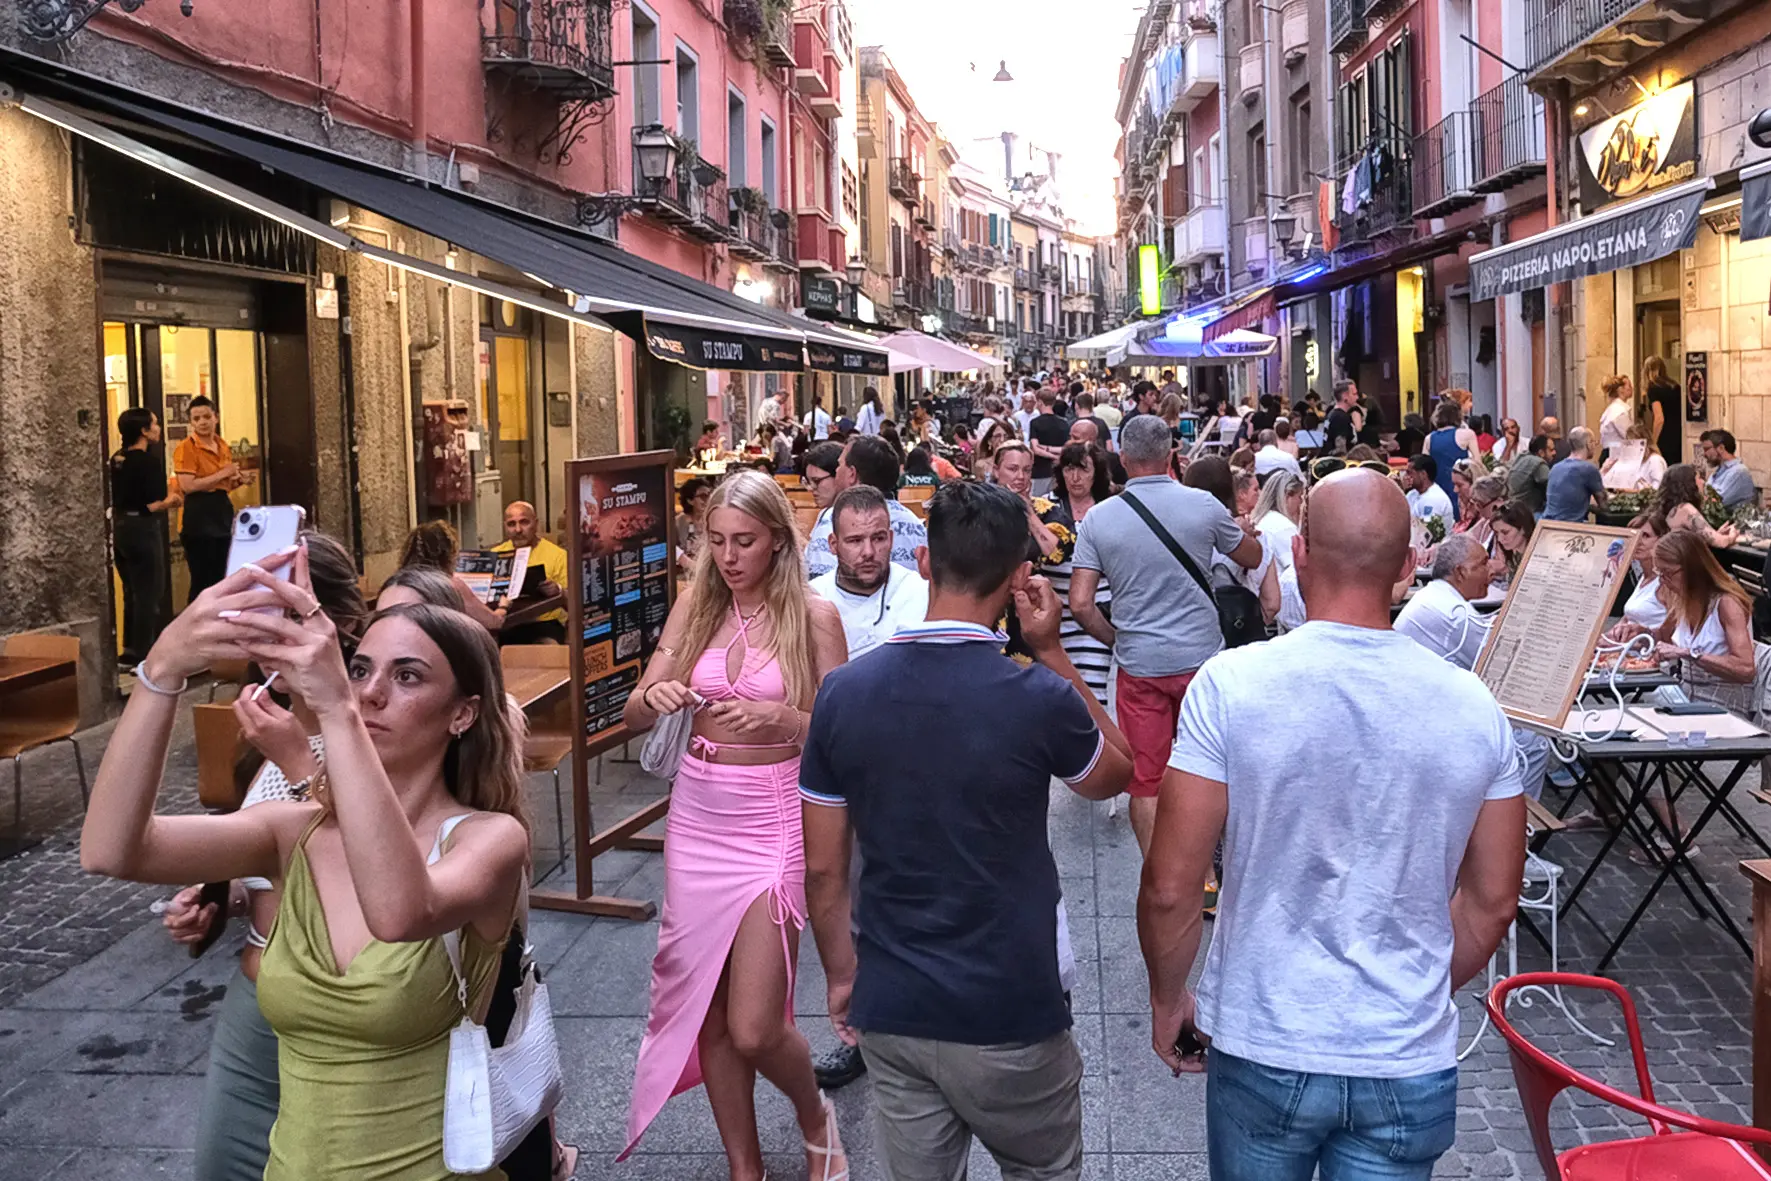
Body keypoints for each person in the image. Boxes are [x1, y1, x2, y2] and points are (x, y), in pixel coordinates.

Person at [84, 549, 534, 1181]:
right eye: (361, 670)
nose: (373, 692)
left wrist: (337, 713)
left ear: (463, 713)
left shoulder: (489, 840)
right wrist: (163, 669)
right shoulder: (293, 830)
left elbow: (402, 909)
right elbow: (113, 849)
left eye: (408, 678)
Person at [1138, 468, 1525, 1181]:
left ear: (1302, 555)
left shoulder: (1229, 685)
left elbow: (1170, 884)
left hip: (1264, 1036)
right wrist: (1412, 983)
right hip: (1403, 1052)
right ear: (1409, 565)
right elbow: (1495, 898)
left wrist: (1169, 999)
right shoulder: (1474, 706)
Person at [800, 481, 1133, 1181]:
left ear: (922, 562)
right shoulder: (1035, 695)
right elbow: (1112, 774)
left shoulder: (843, 694)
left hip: (893, 997)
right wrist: (1054, 652)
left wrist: (840, 974)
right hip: (1009, 999)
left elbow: (825, 868)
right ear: (1019, 577)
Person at [620, 471, 850, 1177]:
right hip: (697, 814)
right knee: (707, 1014)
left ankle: (814, 1112)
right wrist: (654, 694)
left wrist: (786, 718)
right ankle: (743, 1166)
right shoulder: (693, 606)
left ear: (777, 538)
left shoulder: (813, 616)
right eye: (715, 540)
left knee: (754, 1024)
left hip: (774, 814)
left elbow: (845, 737)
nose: (727, 555)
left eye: (743, 540)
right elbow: (630, 712)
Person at [150, 533, 366, 1181]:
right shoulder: (263, 719)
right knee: (225, 1165)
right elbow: (273, 853)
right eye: (251, 618)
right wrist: (221, 893)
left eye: (285, 618)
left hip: (347, 1000)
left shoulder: (371, 724)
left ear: (340, 624)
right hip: (256, 998)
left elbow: (378, 871)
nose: (263, 639)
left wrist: (301, 760)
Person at [1069, 416, 1262, 855]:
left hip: (1140, 666)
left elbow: (1080, 604)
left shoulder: (1099, 519)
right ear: (1172, 453)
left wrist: (1116, 638)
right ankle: (1208, 869)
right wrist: (1243, 532)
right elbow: (1250, 556)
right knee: (1209, 767)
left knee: (1146, 780)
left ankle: (1160, 877)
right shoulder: (1204, 506)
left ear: (1121, 459)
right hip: (1201, 661)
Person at [811, 486, 930, 662]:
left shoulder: (919, 592)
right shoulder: (814, 599)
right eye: (855, 541)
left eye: (878, 538)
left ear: (890, 539)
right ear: (833, 544)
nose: (868, 552)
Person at [1643, 531, 1757, 714]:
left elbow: (1745, 669)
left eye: (1668, 573)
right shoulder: (1683, 597)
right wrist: (1639, 633)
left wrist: (1691, 654)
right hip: (1686, 699)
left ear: (1692, 569)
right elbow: (1664, 635)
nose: (1662, 580)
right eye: (1659, 573)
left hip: (1724, 706)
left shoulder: (1727, 603)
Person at [1043, 442, 1117, 704]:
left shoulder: (1111, 508)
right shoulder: (1046, 507)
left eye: (1083, 470)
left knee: (1095, 693)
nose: (1075, 478)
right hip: (1056, 614)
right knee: (1061, 692)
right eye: (1069, 469)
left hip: (1097, 611)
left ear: (1096, 472)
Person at [111, 408, 182, 665]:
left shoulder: (116, 460)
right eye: (154, 423)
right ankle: (146, 653)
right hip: (143, 528)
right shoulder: (148, 462)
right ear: (143, 430)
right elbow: (152, 504)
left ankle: (129, 650)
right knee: (149, 591)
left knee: (131, 589)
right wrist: (171, 501)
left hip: (120, 527)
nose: (158, 427)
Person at [805, 436, 928, 580]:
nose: (837, 471)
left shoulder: (833, 520)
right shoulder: (916, 525)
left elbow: (818, 583)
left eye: (840, 465)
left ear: (852, 474)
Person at [173, 395, 245, 603]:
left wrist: (238, 480)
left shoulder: (222, 445)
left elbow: (221, 486)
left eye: (206, 416)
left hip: (221, 511)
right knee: (202, 580)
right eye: (196, 419)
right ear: (191, 422)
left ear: (216, 417)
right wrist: (224, 474)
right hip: (198, 516)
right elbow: (188, 486)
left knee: (223, 575)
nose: (202, 422)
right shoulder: (186, 448)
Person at [1395, 533, 1493, 670]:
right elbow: (1496, 662)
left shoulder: (1435, 593)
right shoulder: (1457, 616)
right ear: (1460, 572)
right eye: (1484, 564)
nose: (1491, 571)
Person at [397, 520, 510, 633]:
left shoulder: (396, 584)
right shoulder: (450, 585)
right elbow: (494, 622)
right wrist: (503, 606)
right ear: (448, 554)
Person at [493, 500, 569, 644]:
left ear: (536, 524)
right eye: (511, 524)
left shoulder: (558, 555)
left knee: (548, 647)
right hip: (505, 623)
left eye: (524, 522)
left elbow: (574, 603)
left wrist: (558, 590)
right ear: (505, 527)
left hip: (544, 624)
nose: (518, 530)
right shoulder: (496, 555)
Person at [1250, 471, 1306, 632]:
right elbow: (1296, 574)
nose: (1301, 504)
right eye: (1299, 497)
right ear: (1288, 495)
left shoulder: (1263, 519)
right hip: (1281, 614)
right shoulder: (1283, 527)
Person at [1655, 461, 1740, 547]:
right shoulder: (1686, 509)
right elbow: (1721, 543)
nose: (1703, 482)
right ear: (1689, 484)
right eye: (1699, 478)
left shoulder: (1670, 509)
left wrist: (1716, 534)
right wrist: (1733, 534)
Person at [1543, 426, 1608, 521]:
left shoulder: (1556, 468)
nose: (1595, 446)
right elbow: (1603, 504)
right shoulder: (1588, 468)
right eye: (1594, 442)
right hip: (1570, 528)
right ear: (1588, 444)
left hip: (1547, 524)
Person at [1424, 401, 1469, 515]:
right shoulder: (1466, 435)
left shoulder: (1429, 438)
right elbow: (1477, 464)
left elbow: (1423, 467)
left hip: (1438, 486)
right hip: (1460, 485)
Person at [1602, 417, 1668, 491]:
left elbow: (1658, 490)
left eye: (1633, 442)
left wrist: (1631, 492)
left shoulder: (1655, 460)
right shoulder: (1634, 462)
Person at [1027, 388, 1071, 498]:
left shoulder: (1035, 423)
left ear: (1040, 402)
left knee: (1038, 504)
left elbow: (1035, 449)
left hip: (1040, 471)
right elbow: (1066, 448)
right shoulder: (1064, 423)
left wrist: (1050, 454)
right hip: (1059, 471)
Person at [1702, 429, 1757, 510]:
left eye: (1707, 449)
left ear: (1721, 448)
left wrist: (1700, 488)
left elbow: (1716, 504)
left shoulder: (1739, 472)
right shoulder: (1719, 472)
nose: (1704, 454)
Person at [1643, 355, 1682, 464]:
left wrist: (1653, 441)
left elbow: (1659, 418)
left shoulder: (1653, 389)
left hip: (1666, 436)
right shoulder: (1675, 386)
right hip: (1679, 433)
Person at [1069, 417, 1128, 485]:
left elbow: (1122, 486)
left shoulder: (1113, 460)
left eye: (1076, 438)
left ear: (1091, 439)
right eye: (1070, 437)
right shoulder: (1067, 460)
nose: (1071, 441)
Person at [1489, 500, 1536, 585]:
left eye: (1505, 532)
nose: (1500, 539)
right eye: (1496, 533)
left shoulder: (1538, 559)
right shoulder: (1513, 556)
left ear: (1523, 528)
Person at [1506, 433, 1553, 516]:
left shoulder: (1522, 457)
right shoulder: (1539, 463)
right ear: (1541, 452)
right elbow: (1551, 488)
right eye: (1551, 450)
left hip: (1513, 508)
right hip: (1529, 512)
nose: (1554, 453)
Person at [1404, 455, 1454, 522]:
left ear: (1423, 474)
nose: (1406, 476)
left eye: (1409, 473)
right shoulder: (1412, 494)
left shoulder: (1435, 499)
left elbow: (1426, 531)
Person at [1598, 374, 1634, 458]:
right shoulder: (1620, 412)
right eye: (1629, 385)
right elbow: (1629, 436)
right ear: (1621, 390)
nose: (1632, 388)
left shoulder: (1612, 409)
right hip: (1615, 455)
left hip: (1610, 452)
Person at [1323, 380, 1359, 455]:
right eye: (1354, 394)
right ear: (1345, 396)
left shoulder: (1334, 414)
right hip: (1339, 464)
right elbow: (1340, 450)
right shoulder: (1340, 417)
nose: (1357, 397)